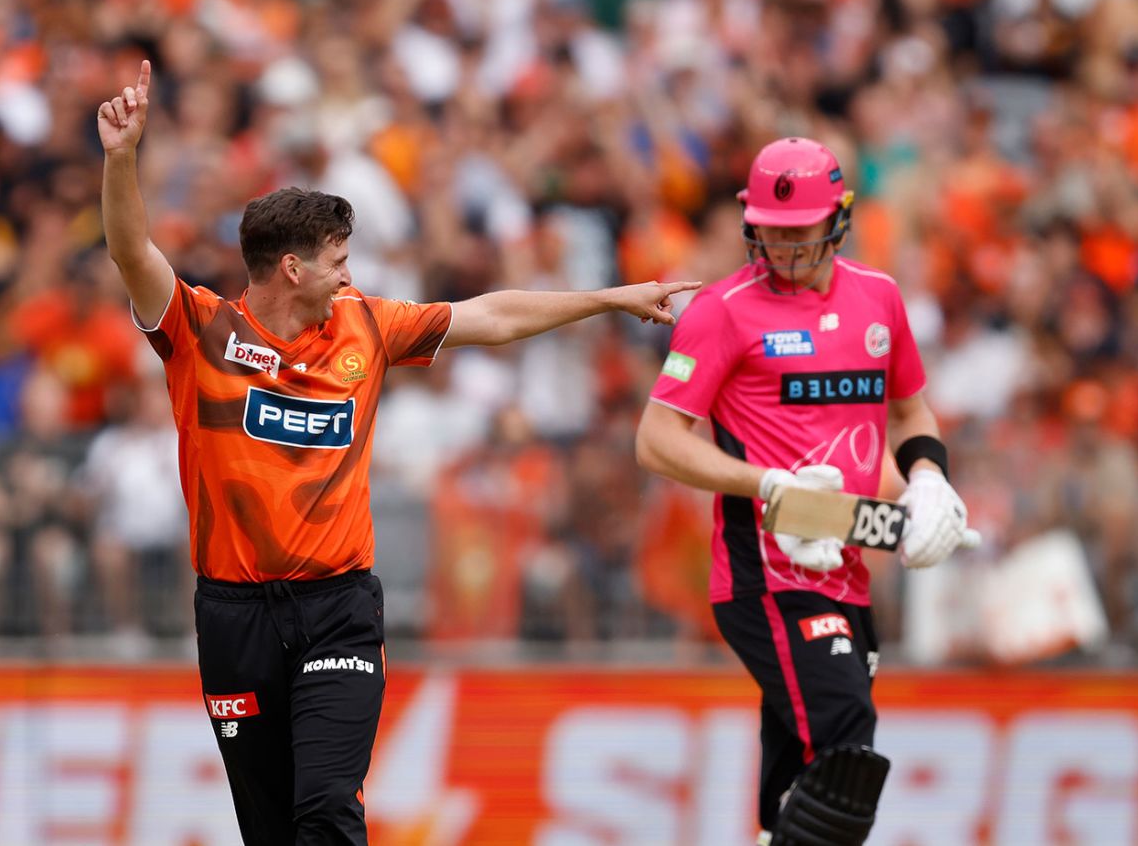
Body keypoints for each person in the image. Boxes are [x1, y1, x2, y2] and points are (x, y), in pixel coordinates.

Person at [97, 61, 697, 845]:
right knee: (273, 830)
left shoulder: (366, 325)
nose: (352, 273)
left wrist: (607, 299)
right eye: (339, 259)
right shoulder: (201, 331)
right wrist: (120, 159)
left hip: (337, 609)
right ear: (293, 268)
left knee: (327, 809)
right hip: (233, 615)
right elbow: (132, 252)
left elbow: (492, 315)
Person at [635, 136, 977, 845]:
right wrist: (765, 482)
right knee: (847, 745)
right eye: (771, 230)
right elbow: (657, 439)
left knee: (799, 783)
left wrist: (929, 479)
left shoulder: (878, 297)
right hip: (764, 575)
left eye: (800, 232)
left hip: (846, 569)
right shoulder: (723, 308)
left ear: (839, 217)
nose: (784, 247)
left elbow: (911, 410)